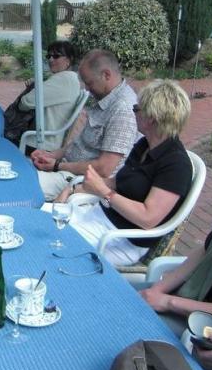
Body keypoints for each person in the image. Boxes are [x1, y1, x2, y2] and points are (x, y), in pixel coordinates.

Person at [57, 80, 193, 266]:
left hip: (121, 240)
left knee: (54, 240)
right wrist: (72, 189)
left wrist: (103, 192)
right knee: (41, 220)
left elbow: (147, 218)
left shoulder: (176, 165)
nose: (133, 112)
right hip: (98, 217)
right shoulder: (145, 145)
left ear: (151, 118)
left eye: (137, 109)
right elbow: (116, 183)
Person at [32, 49, 138, 201]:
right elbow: (79, 143)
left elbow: (104, 169)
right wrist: (51, 155)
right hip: (67, 170)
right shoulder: (105, 97)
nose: (87, 89)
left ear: (106, 75)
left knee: (21, 184)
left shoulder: (122, 109)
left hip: (81, 182)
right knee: (17, 170)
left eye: (89, 83)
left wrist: (57, 165)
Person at [137, 202, 212, 338]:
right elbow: (207, 249)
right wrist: (156, 290)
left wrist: (168, 302)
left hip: (208, 325)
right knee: (119, 296)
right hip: (187, 294)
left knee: (130, 323)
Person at [4, 41, 81, 152]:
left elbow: (24, 103)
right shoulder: (72, 79)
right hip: (49, 140)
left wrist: (35, 87)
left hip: (39, 143)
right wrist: (38, 84)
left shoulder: (63, 80)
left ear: (69, 60)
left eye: (56, 56)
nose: (51, 60)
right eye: (48, 56)